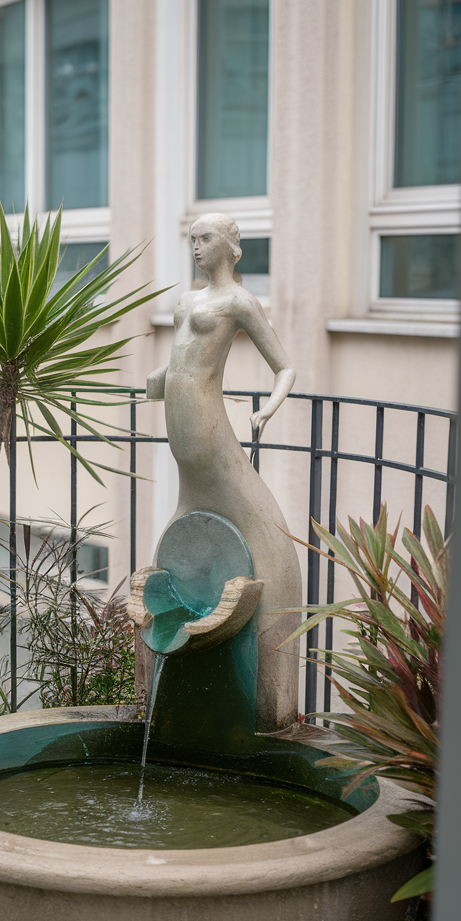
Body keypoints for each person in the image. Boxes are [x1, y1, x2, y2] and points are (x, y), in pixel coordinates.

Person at [146, 213, 302, 732]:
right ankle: (182, 588)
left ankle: (254, 626)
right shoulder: (186, 301)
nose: (196, 246)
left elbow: (285, 366)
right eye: (191, 238)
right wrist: (150, 383)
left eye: (205, 237)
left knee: (248, 513)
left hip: (208, 424)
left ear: (232, 247)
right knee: (189, 506)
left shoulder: (239, 302)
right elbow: (177, 365)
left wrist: (269, 408)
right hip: (178, 423)